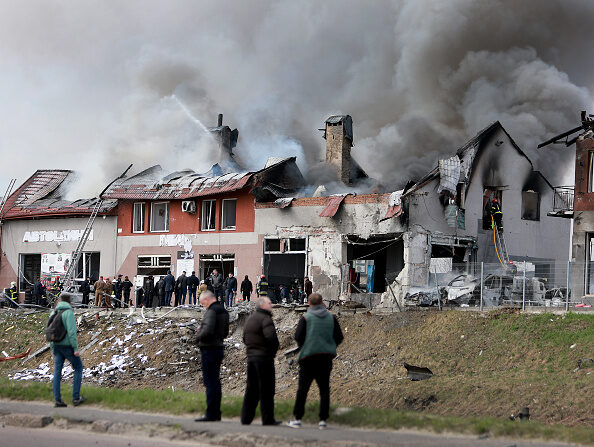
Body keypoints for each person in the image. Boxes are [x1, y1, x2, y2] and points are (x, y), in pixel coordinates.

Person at [287, 293, 344, 429]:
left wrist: (305, 345)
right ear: (322, 303)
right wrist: (330, 346)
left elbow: (298, 336)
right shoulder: (331, 318)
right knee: (324, 389)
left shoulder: (306, 318)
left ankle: (298, 418)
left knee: (303, 389)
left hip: (308, 358)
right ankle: (323, 420)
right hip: (325, 358)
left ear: (309, 304)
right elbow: (339, 337)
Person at [240, 297, 280, 425]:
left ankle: (246, 418)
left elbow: (244, 338)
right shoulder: (265, 319)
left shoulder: (250, 319)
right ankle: (268, 419)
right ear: (262, 305)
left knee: (251, 389)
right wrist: (271, 352)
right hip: (264, 358)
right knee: (267, 389)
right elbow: (271, 338)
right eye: (269, 303)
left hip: (251, 358)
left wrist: (252, 350)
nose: (271, 305)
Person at [192, 291, 229, 422]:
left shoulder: (212, 311)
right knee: (216, 381)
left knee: (210, 382)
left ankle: (211, 414)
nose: (203, 307)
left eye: (203, 303)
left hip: (209, 348)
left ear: (207, 299)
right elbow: (225, 332)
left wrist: (197, 337)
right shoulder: (223, 311)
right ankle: (216, 412)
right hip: (219, 347)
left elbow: (207, 330)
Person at [50, 292, 84, 407]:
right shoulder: (68, 312)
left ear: (60, 301)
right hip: (67, 347)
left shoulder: (54, 312)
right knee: (79, 368)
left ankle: (57, 400)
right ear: (70, 302)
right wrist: (75, 348)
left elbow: (50, 332)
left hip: (57, 346)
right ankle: (76, 397)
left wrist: (52, 348)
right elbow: (72, 332)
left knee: (57, 373)